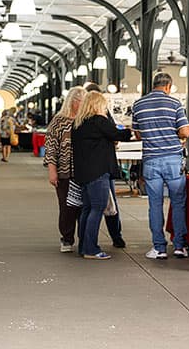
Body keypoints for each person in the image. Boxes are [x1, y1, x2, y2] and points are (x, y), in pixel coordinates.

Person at [132, 72, 189, 259]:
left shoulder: (138, 105)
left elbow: (138, 135)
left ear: (153, 85)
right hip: (173, 159)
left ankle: (159, 248)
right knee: (178, 203)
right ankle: (180, 246)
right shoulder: (174, 104)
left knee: (154, 204)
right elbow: (186, 132)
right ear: (168, 86)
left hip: (151, 161)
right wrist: (175, 135)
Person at [72, 91, 132, 260]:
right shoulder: (99, 121)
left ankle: (84, 245)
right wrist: (129, 130)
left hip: (83, 173)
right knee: (97, 208)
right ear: (97, 105)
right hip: (98, 172)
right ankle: (91, 249)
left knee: (87, 208)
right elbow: (118, 134)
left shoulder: (78, 123)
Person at [43, 86, 86, 252]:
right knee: (67, 207)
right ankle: (67, 239)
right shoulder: (59, 121)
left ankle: (85, 239)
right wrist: (52, 170)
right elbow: (51, 147)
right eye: (81, 102)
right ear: (73, 102)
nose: (83, 105)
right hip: (64, 171)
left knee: (85, 207)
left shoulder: (87, 119)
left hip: (84, 171)